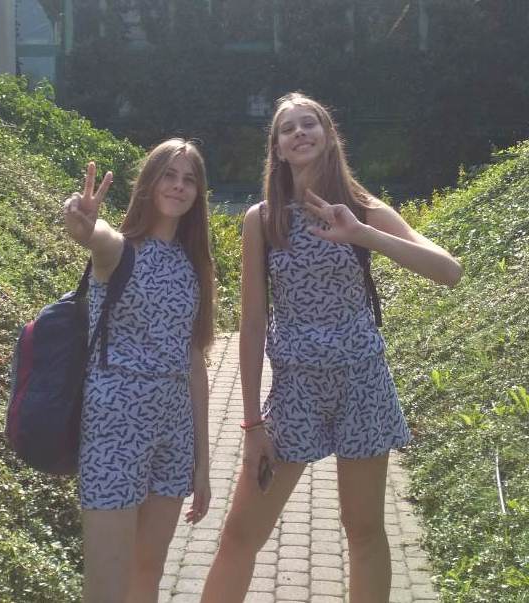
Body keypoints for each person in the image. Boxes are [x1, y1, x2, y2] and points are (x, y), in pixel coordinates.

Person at [201, 93, 462, 603]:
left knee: (363, 531)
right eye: (288, 128)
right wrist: (252, 425)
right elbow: (251, 325)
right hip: (295, 391)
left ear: (328, 136)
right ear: (277, 149)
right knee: (241, 533)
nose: (299, 132)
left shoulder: (363, 209)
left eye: (310, 123)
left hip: (363, 384)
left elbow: (448, 271)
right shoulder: (263, 219)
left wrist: (362, 233)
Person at [63, 138, 215, 603]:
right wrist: (86, 226)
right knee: (107, 586)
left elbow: (194, 364)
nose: (178, 186)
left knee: (148, 573)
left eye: (189, 180)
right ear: (149, 182)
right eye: (169, 175)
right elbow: (98, 237)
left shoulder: (192, 265)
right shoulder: (120, 250)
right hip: (115, 429)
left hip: (173, 433)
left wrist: (203, 464)